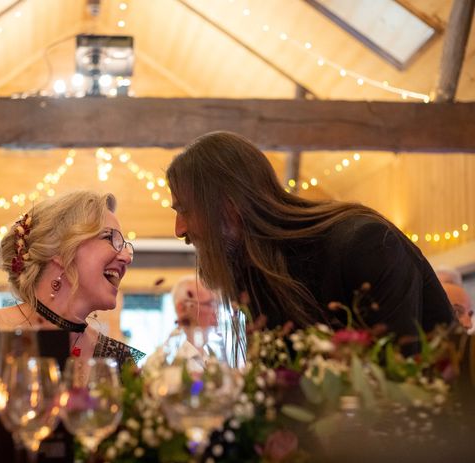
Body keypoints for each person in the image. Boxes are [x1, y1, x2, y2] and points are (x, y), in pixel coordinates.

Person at [165, 131, 453, 352]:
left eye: (185, 210)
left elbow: (401, 383)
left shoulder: (364, 244)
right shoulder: (257, 275)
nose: (179, 230)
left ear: (229, 206)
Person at [0, 191, 145, 374]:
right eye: (110, 238)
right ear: (60, 250)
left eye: (125, 245)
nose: (127, 256)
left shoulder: (119, 361)